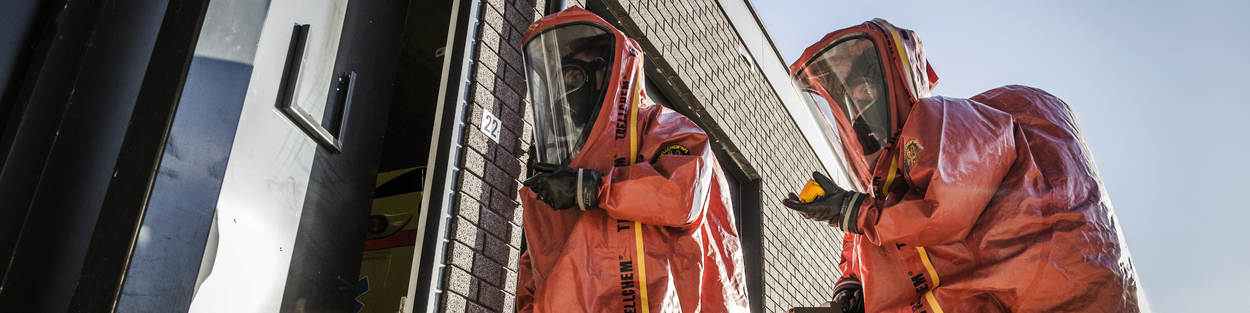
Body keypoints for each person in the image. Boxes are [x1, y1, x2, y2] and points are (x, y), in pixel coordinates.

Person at [783, 19, 1143, 312]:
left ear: (889, 79)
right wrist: (849, 293)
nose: (856, 111)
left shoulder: (943, 128)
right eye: (846, 101)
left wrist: (854, 212)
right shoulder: (894, 190)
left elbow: (943, 210)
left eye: (863, 89)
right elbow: (877, 242)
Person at [514, 7, 749, 313]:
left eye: (575, 75)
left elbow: (680, 197)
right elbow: (537, 261)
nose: (568, 90)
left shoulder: (664, 131)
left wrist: (593, 189)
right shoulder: (567, 166)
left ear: (606, 72)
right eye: (563, 80)